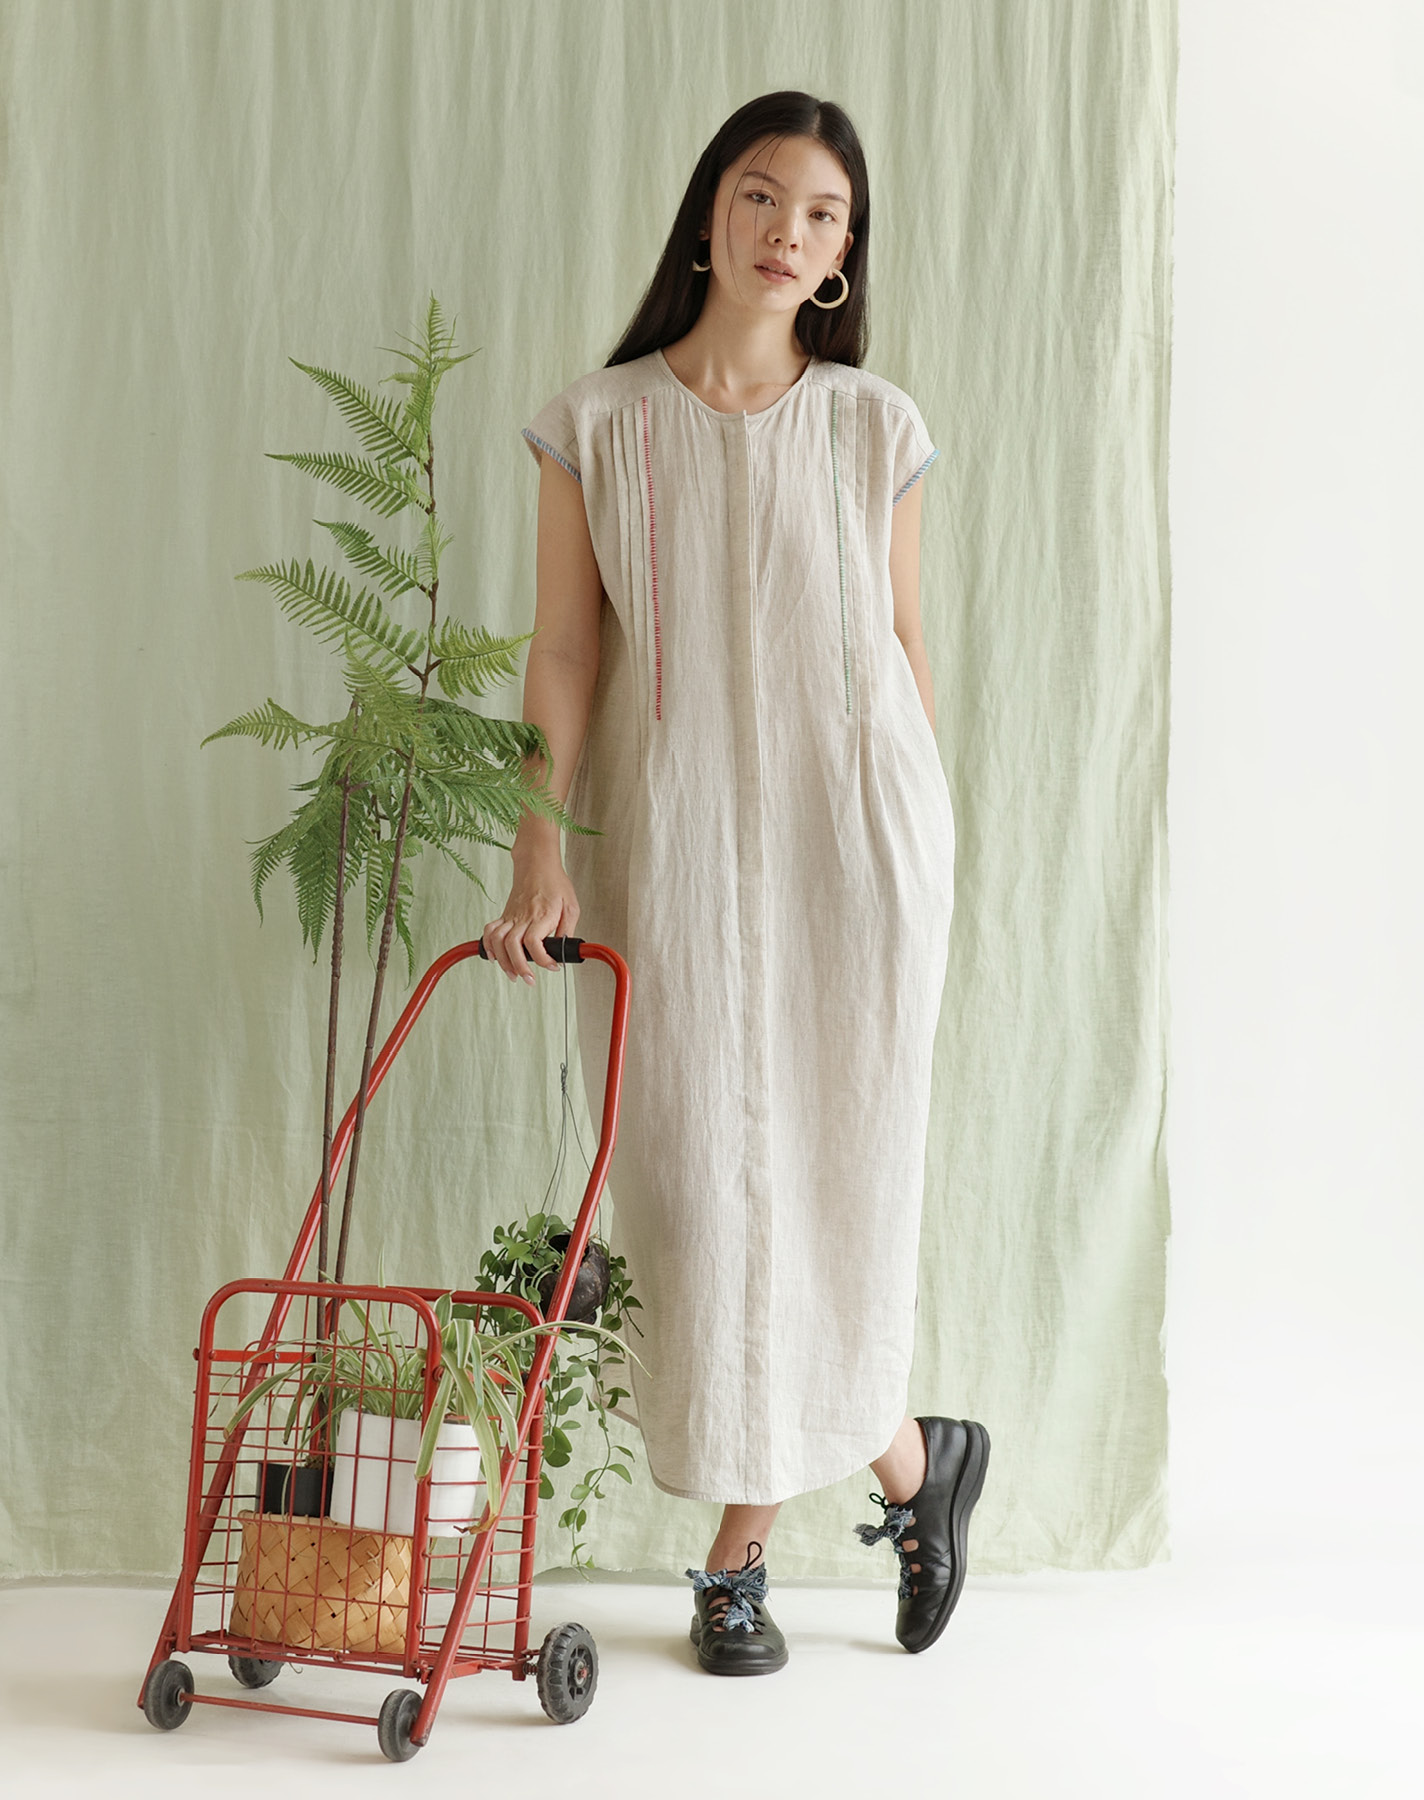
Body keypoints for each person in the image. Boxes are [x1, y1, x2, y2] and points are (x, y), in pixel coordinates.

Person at [482, 90, 989, 1675]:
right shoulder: (597, 423)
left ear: (843, 256)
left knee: (833, 1187)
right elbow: (566, 655)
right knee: (701, 1196)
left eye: (824, 214)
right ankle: (914, 1463)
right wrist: (539, 849)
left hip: (858, 848)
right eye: (763, 195)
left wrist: (918, 843)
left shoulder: (875, 425)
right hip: (675, 851)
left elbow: (901, 647)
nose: (789, 231)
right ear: (709, 213)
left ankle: (738, 1564)